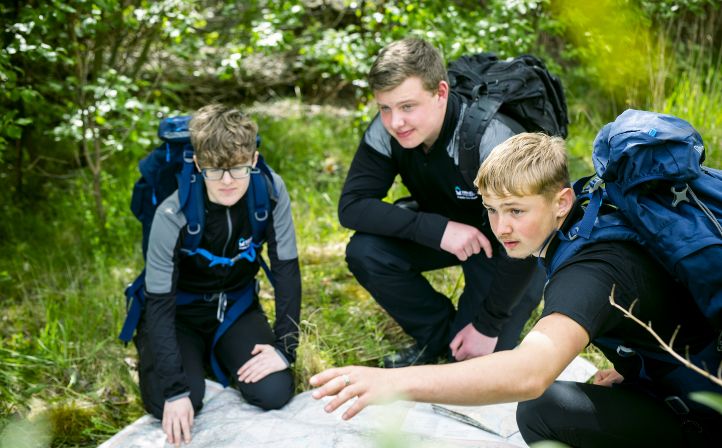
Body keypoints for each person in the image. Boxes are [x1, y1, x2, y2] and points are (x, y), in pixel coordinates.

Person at [312, 132, 722, 446]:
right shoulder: (597, 207)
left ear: (560, 201)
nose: (501, 226)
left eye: (516, 211)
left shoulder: (590, 270)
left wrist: (396, 383)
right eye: (491, 209)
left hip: (707, 411)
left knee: (541, 409)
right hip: (693, 369)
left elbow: (529, 373)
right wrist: (636, 365)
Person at [339, 37, 544, 367]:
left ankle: (466, 340)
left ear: (441, 94)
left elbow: (529, 238)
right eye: (385, 108)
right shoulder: (387, 130)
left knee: (471, 369)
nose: (395, 122)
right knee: (366, 251)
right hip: (450, 230)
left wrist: (488, 324)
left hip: (514, 250)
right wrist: (436, 229)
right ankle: (435, 336)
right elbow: (352, 206)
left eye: (408, 106)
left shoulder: (490, 138)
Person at [134, 105, 301, 446]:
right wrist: (176, 388)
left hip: (235, 308)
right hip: (178, 313)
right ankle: (173, 355)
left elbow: (286, 271)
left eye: (238, 168)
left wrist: (285, 348)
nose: (227, 181)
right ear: (198, 164)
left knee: (274, 391)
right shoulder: (173, 210)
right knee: (172, 400)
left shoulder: (269, 190)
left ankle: (214, 351)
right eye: (214, 170)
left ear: (253, 160)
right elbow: (160, 301)